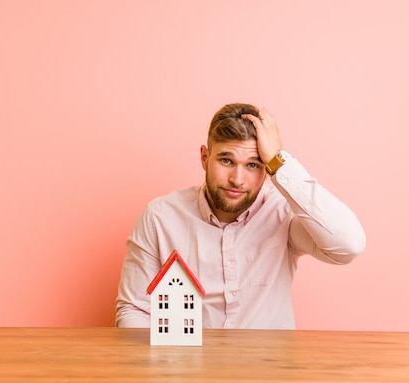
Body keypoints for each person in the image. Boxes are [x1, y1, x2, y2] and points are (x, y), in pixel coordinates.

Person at [115, 103, 366, 329]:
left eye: (253, 165)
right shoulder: (159, 217)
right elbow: (134, 311)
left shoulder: (283, 213)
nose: (237, 179)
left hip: (268, 373)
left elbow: (348, 245)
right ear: (205, 157)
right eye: (226, 160)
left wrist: (280, 161)